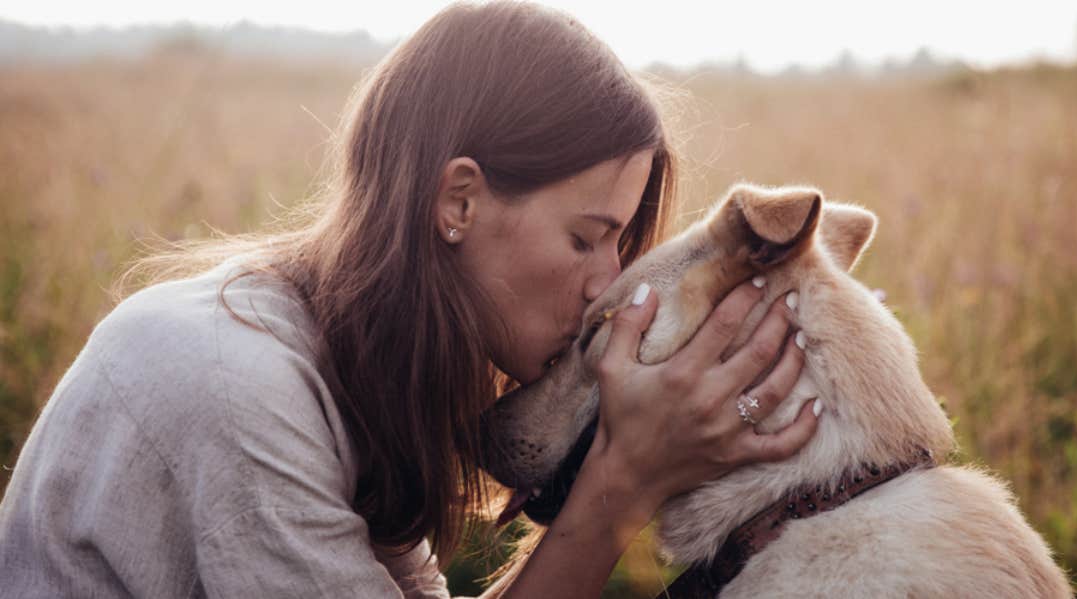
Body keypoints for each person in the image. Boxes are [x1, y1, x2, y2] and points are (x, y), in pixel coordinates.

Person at [0, 2, 819, 597]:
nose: (609, 281)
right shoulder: (234, 385)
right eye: (584, 238)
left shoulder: (349, 370)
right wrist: (621, 484)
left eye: (618, 244)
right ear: (458, 201)